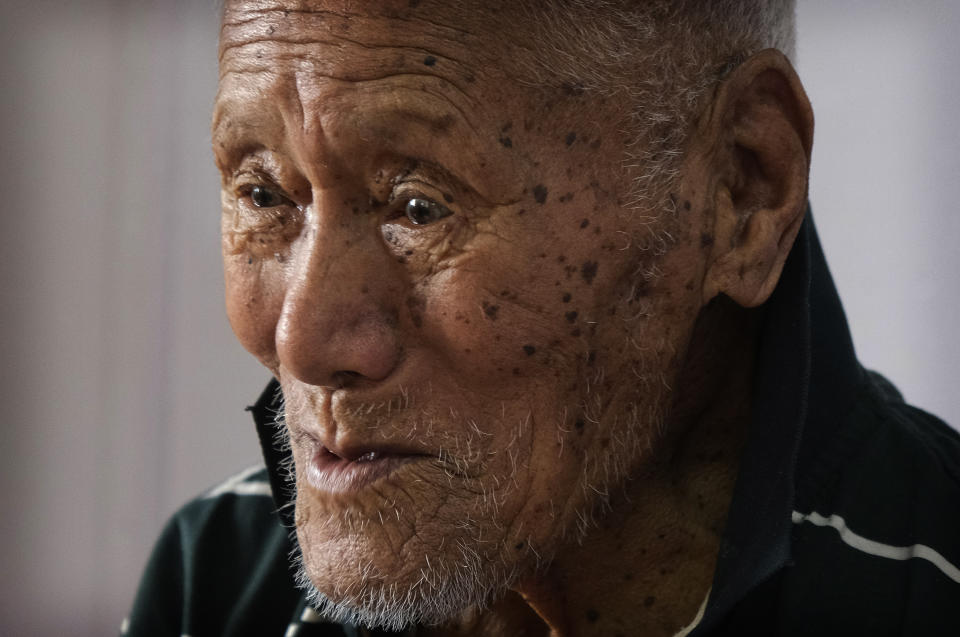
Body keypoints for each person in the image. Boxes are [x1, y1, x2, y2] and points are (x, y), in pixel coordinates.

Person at [125, 1, 960, 635]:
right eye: (263, 194)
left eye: (418, 207)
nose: (298, 339)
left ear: (742, 186)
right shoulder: (215, 576)